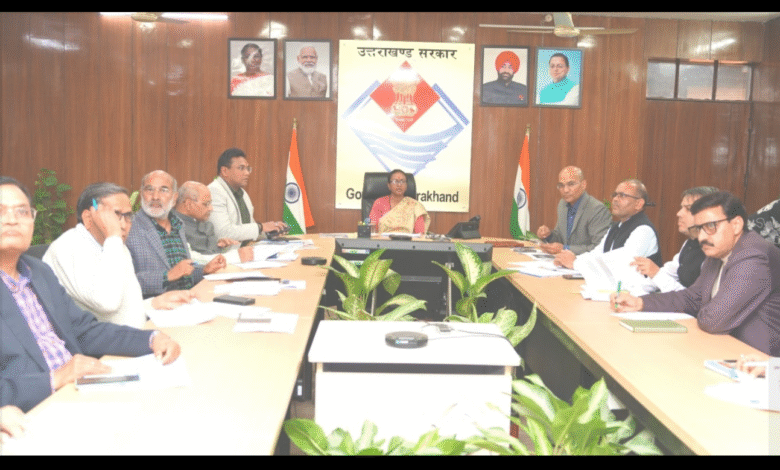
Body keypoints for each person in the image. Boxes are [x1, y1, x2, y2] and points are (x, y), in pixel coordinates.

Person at [0, 177, 181, 412]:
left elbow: (83, 330)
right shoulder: (69, 248)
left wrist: (151, 338)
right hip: (35, 410)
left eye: (22, 212)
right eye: (1, 211)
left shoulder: (38, 272)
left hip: (80, 392)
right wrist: (55, 378)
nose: (12, 220)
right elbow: (107, 302)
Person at [611, 191, 780, 356]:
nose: (702, 237)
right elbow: (692, 298)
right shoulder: (717, 252)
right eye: (699, 228)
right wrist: (640, 303)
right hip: (723, 348)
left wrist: (699, 309)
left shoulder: (754, 256)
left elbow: (713, 320)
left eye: (711, 226)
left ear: (736, 225)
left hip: (759, 361)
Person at [43, 183, 193, 328]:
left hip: (131, 333)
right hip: (96, 343)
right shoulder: (68, 248)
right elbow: (107, 302)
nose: (123, 225)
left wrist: (154, 303)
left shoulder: (114, 245)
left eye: (127, 216)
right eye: (115, 215)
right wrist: (113, 237)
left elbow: (121, 311)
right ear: (88, 218)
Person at [126, 170, 226, 298]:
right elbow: (124, 282)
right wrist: (167, 276)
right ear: (141, 194)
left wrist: (204, 270)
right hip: (155, 306)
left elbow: (183, 273)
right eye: (149, 189)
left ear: (174, 198)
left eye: (163, 190)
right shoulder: (129, 228)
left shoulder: (178, 225)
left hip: (188, 300)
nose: (155, 196)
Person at [554, 179, 661, 269]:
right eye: (615, 195)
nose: (615, 199)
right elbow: (597, 254)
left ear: (638, 203)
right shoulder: (615, 227)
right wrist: (571, 259)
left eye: (622, 195)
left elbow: (623, 262)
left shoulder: (644, 230)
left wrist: (576, 263)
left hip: (639, 288)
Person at [630, 186, 718, 292]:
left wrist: (656, 273)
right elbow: (669, 272)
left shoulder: (714, 252)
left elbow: (695, 298)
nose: (678, 213)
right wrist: (629, 291)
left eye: (688, 209)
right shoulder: (689, 243)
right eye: (681, 208)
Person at [207, 148, 288, 242]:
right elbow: (223, 233)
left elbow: (249, 229)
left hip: (247, 248)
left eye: (248, 168)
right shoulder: (214, 191)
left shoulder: (242, 193)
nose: (247, 173)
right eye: (241, 168)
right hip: (227, 251)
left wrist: (269, 232)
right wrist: (261, 227)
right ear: (224, 171)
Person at [535, 166, 611, 255]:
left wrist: (565, 248)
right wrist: (549, 235)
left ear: (583, 184)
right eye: (561, 185)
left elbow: (600, 248)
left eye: (571, 184)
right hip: (563, 260)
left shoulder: (597, 209)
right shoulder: (562, 204)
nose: (565, 190)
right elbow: (561, 238)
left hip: (584, 261)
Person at [174, 181, 254, 265]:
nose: (211, 208)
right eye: (206, 204)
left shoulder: (206, 224)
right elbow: (191, 259)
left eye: (210, 203)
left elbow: (211, 254)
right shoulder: (173, 226)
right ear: (189, 204)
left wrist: (221, 247)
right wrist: (235, 257)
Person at [368, 169, 430, 234]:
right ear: (389, 185)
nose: (399, 185)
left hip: (407, 240)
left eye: (402, 181)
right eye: (395, 181)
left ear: (406, 185)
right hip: (383, 239)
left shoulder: (415, 205)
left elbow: (420, 233)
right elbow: (373, 229)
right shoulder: (379, 203)